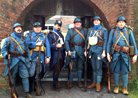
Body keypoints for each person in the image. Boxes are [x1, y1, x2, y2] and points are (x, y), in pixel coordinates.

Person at [107, 16, 138, 95]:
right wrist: (108, 53)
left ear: (125, 23)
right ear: (117, 23)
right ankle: (116, 87)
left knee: (125, 72)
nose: (121, 23)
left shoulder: (128, 31)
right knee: (116, 71)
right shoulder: (113, 31)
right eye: (120, 22)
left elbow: (133, 43)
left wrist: (135, 55)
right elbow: (109, 43)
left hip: (125, 55)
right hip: (116, 54)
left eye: (123, 22)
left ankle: (125, 88)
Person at [1, 23, 32, 98]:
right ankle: (13, 91)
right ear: (14, 29)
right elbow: (3, 49)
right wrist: (6, 55)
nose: (19, 29)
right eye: (17, 27)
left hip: (23, 60)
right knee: (13, 76)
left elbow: (27, 49)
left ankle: (27, 93)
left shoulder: (23, 38)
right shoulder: (9, 38)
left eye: (20, 27)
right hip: (13, 60)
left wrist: (29, 59)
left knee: (25, 76)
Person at [26, 22, 51, 94]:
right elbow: (26, 44)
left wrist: (48, 57)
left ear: (41, 28)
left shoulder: (43, 36)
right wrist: (35, 44)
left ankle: (37, 86)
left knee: (39, 72)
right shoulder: (30, 35)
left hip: (41, 57)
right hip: (32, 57)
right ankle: (30, 88)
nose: (37, 28)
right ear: (33, 28)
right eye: (36, 27)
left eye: (39, 27)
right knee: (31, 73)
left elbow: (48, 46)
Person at [84, 16, 108, 92]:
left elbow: (105, 41)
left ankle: (98, 84)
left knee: (98, 68)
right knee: (94, 68)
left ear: (100, 21)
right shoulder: (90, 30)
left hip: (99, 51)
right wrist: (85, 50)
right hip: (91, 51)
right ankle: (94, 82)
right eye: (95, 20)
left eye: (98, 20)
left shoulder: (104, 30)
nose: (96, 22)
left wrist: (104, 51)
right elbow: (87, 41)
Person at [65, 18, 87, 88]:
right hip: (73, 50)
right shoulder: (70, 31)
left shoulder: (84, 31)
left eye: (79, 22)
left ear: (81, 23)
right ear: (74, 23)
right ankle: (70, 81)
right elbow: (66, 41)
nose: (77, 23)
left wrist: (86, 50)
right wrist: (68, 50)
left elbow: (87, 41)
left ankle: (79, 81)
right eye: (76, 22)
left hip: (81, 51)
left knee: (80, 67)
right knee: (72, 67)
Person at [48, 20, 65, 91]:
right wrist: (56, 46)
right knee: (55, 71)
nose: (58, 26)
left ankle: (57, 83)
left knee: (59, 70)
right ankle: (55, 85)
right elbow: (48, 45)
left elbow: (63, 44)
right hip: (55, 56)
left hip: (61, 55)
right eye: (57, 25)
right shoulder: (50, 34)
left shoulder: (61, 35)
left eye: (59, 25)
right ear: (54, 25)